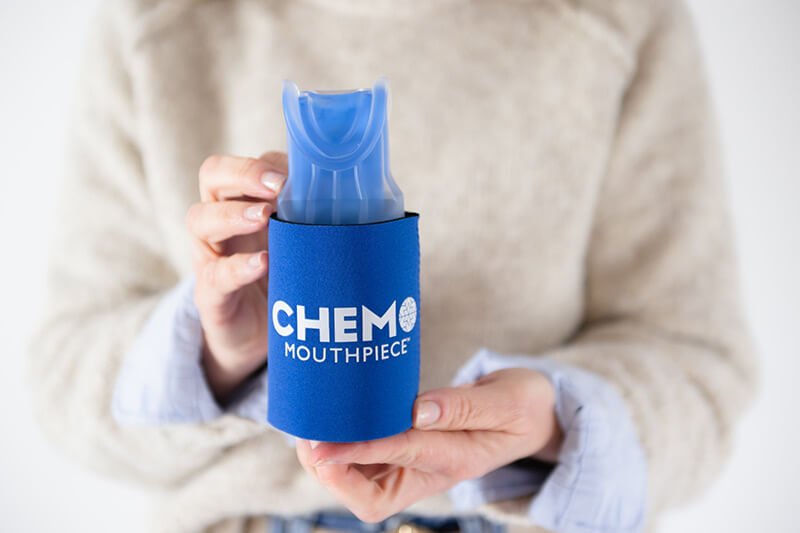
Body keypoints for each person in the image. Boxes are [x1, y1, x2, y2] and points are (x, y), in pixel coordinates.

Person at [29, 0, 757, 532]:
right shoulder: (157, 24)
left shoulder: (614, 20)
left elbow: (701, 369)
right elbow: (63, 385)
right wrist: (216, 355)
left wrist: (559, 423)